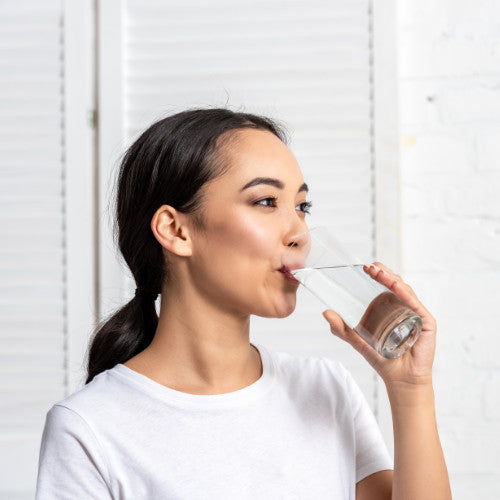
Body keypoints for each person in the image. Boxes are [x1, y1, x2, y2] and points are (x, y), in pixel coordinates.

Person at [35, 107, 451, 499]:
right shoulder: (89, 427)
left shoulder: (325, 388)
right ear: (176, 230)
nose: (300, 234)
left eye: (302, 206)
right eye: (266, 202)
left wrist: (410, 388)